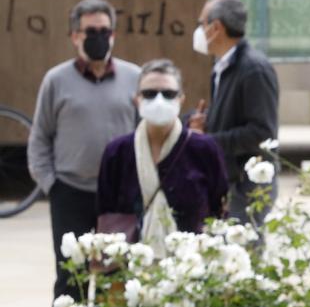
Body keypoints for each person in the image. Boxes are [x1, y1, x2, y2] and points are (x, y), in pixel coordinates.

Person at [27, 0, 139, 307]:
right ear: (75, 35)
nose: (97, 38)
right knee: (70, 280)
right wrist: (50, 184)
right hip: (70, 193)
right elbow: (40, 138)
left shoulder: (133, 78)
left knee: (114, 282)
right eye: (89, 32)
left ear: (114, 34)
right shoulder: (55, 81)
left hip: (118, 198)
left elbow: (145, 137)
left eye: (104, 31)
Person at [96, 60, 231, 246]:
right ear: (137, 100)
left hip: (192, 264)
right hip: (131, 264)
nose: (159, 101)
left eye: (168, 94)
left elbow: (219, 209)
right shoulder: (117, 152)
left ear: (181, 99)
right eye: (150, 94)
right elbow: (106, 213)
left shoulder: (204, 149)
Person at [187, 0, 279, 223]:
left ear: (216, 27)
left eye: (202, 24)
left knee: (245, 252)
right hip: (229, 179)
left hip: (248, 185)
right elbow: (234, 117)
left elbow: (261, 132)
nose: (199, 31)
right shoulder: (223, 65)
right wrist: (206, 122)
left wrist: (209, 142)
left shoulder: (254, 69)